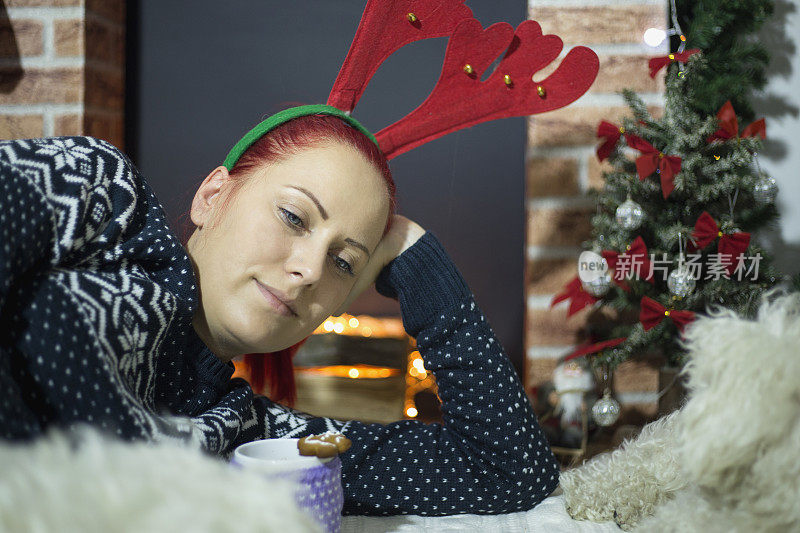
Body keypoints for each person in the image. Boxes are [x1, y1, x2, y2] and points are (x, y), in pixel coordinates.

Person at [0, 112, 560, 516]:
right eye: (294, 216)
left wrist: (415, 254)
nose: (312, 270)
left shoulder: (257, 440)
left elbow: (507, 473)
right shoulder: (101, 196)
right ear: (213, 196)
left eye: (345, 263)